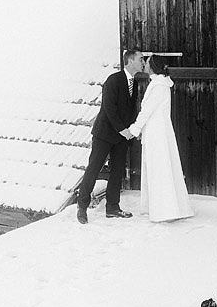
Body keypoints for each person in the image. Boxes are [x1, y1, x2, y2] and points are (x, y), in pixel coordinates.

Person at [76, 49, 146, 224]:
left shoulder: (135, 84)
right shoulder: (113, 80)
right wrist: (123, 129)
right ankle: (82, 207)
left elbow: (130, 110)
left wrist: (132, 130)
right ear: (130, 61)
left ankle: (113, 208)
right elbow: (109, 108)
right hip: (104, 134)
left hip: (122, 137)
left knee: (117, 171)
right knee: (94, 168)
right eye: (140, 59)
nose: (143, 62)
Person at [128, 55, 194, 222]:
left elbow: (148, 111)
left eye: (147, 63)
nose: (145, 64)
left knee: (160, 168)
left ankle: (166, 210)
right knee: (157, 167)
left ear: (153, 67)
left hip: (157, 133)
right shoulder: (157, 84)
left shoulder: (159, 86)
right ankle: (160, 207)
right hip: (155, 131)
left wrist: (134, 129)